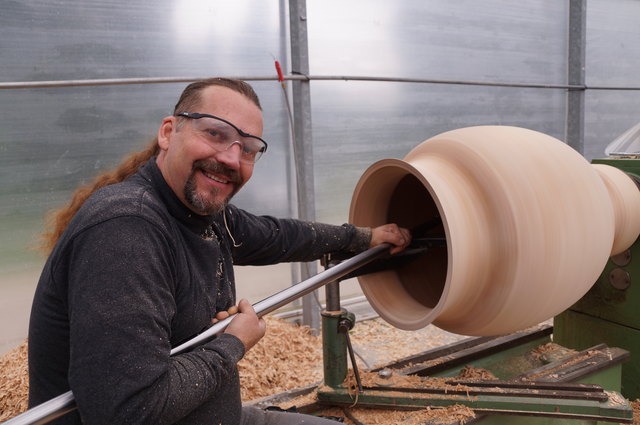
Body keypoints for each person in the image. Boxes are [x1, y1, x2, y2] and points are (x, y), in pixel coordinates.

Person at [28, 78, 411, 425]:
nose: (230, 158)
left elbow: (280, 235)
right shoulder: (128, 230)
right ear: (168, 132)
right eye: (215, 133)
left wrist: (363, 237)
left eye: (247, 149)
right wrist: (233, 342)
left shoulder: (203, 215)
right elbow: (129, 410)